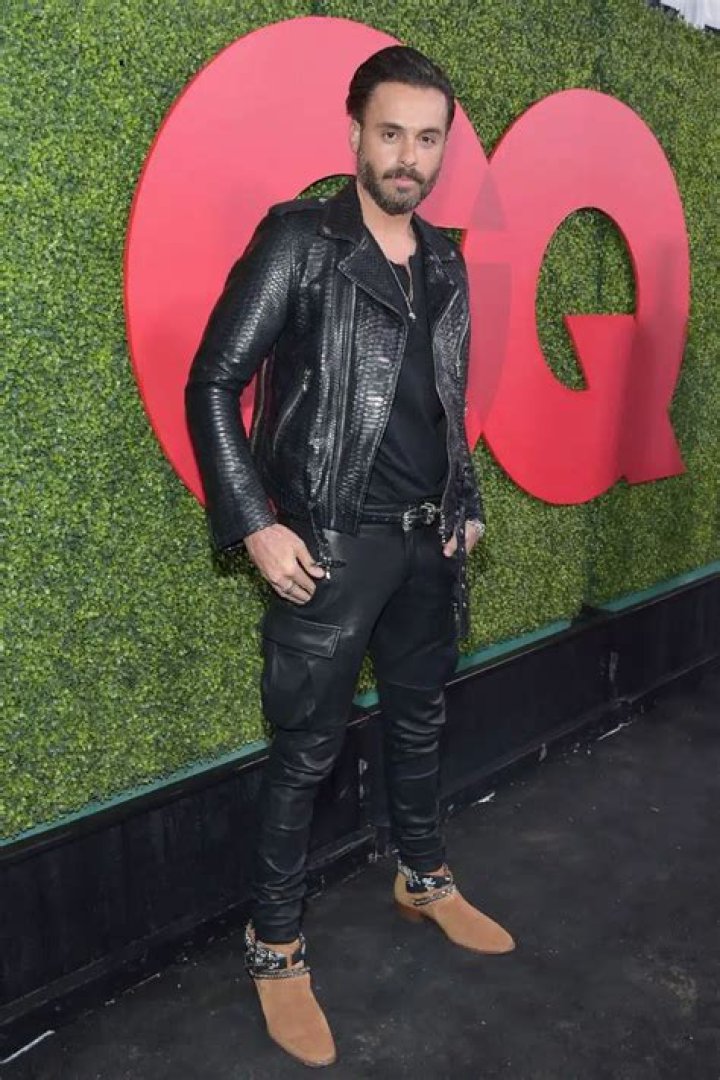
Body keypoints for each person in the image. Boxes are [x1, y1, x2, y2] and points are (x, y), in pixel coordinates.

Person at [185, 44, 514, 1069]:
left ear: (443, 148)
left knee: (419, 720)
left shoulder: (447, 258)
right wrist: (256, 521)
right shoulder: (302, 240)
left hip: (426, 541)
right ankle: (275, 943)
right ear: (355, 134)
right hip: (328, 547)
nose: (409, 156)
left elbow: (443, 403)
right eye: (391, 133)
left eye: (428, 138)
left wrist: (463, 501)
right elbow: (212, 382)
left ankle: (423, 875)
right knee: (305, 752)